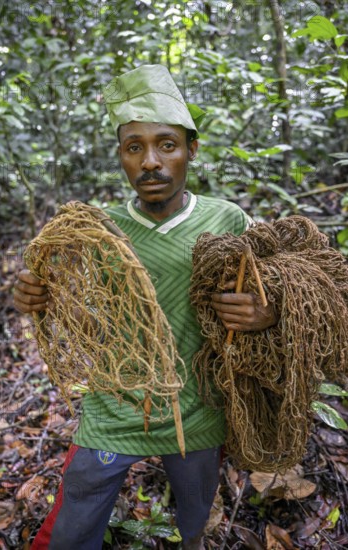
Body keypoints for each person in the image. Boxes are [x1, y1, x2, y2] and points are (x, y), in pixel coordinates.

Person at [14, 65, 277, 550]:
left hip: (199, 408)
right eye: (134, 148)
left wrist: (264, 316)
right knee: (73, 522)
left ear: (191, 151)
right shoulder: (98, 229)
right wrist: (35, 295)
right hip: (114, 405)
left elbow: (273, 297)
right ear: (121, 157)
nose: (150, 162)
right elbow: (61, 292)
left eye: (167, 145)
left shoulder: (228, 219)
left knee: (195, 515)